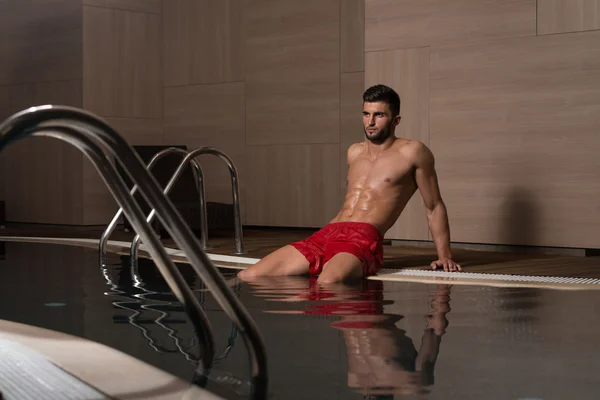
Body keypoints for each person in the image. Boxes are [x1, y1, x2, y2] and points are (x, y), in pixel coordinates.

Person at [238, 84, 461, 283]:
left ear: (396, 120)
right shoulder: (354, 152)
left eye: (379, 115)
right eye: (366, 114)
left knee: (328, 282)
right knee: (249, 275)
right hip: (328, 233)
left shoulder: (413, 152)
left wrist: (444, 256)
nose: (370, 122)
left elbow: (434, 206)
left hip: (363, 238)